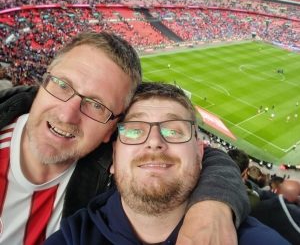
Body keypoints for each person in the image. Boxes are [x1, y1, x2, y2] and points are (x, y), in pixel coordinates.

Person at [0, 32, 249, 245]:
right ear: (43, 80)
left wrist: (211, 205)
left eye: (97, 105)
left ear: (113, 130)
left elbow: (201, 154)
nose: (68, 114)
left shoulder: (111, 164)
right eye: (62, 85)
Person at [45, 82, 289, 245]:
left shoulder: (255, 239)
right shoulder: (73, 236)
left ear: (200, 152)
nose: (154, 142)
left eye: (173, 131)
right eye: (134, 130)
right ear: (113, 156)